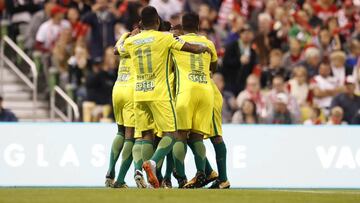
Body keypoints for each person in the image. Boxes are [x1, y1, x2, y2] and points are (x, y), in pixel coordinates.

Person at [120, 6, 212, 189]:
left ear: (141, 23)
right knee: (172, 133)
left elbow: (119, 50)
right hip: (160, 94)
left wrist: (131, 34)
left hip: (139, 93)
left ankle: (139, 171)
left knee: (146, 135)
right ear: (157, 21)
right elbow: (188, 47)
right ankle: (152, 163)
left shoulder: (132, 41)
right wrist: (202, 47)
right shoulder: (165, 37)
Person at [105, 32, 145, 188]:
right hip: (132, 91)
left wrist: (125, 35)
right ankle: (121, 179)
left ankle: (110, 172)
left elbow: (115, 49)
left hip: (118, 88)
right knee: (131, 136)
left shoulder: (126, 42)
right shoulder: (143, 42)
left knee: (120, 132)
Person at [222, 24, 257, 96]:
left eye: (248, 33)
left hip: (243, 85)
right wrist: (239, 60)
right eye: (244, 33)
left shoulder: (252, 51)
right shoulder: (232, 46)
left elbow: (252, 67)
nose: (246, 35)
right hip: (230, 83)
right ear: (240, 34)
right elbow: (225, 62)